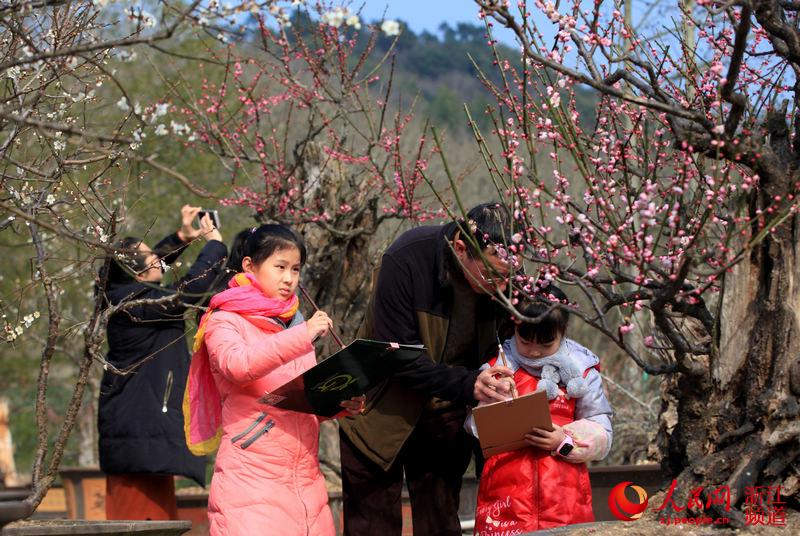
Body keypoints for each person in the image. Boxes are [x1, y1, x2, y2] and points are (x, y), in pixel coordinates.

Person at [339, 202, 519, 536]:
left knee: (440, 525)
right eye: (493, 276)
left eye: (508, 276)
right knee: (372, 527)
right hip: (378, 412)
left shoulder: (506, 275)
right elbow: (398, 358)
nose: (504, 288)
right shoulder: (408, 259)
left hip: (445, 418)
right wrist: (470, 385)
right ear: (461, 248)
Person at [184, 224, 365, 535]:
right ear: (250, 266)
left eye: (295, 269)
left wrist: (338, 404)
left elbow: (294, 399)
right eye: (280, 267)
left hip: (306, 482)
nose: (289, 278)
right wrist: (302, 334)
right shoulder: (224, 319)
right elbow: (238, 366)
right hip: (251, 481)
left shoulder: (291, 322)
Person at [97, 205, 226, 520]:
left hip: (140, 438)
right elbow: (191, 289)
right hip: (140, 441)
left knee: (157, 521)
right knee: (142, 523)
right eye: (153, 258)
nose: (159, 259)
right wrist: (214, 245)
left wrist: (181, 237)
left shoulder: (120, 294)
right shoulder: (138, 305)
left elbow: (149, 268)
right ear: (139, 275)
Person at [466, 285, 613, 533]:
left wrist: (563, 440)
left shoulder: (582, 370)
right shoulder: (497, 368)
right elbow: (473, 424)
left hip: (565, 497)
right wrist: (498, 411)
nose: (534, 351)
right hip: (506, 497)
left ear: (562, 332)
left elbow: (602, 432)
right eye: (525, 341)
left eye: (545, 344)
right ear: (514, 328)